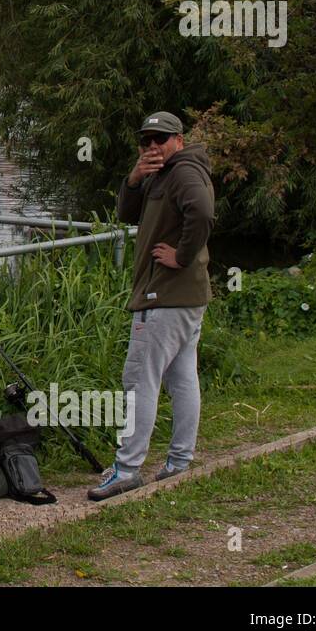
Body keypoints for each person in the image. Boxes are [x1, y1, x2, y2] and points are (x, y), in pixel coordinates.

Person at [89, 111, 216, 501]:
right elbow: (127, 215)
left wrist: (181, 256)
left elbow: (203, 212)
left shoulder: (184, 171)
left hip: (165, 296)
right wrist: (134, 178)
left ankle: (127, 469)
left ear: (178, 139)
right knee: (181, 378)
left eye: (160, 139)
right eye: (145, 140)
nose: (152, 146)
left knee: (138, 381)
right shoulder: (159, 173)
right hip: (183, 299)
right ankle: (179, 462)